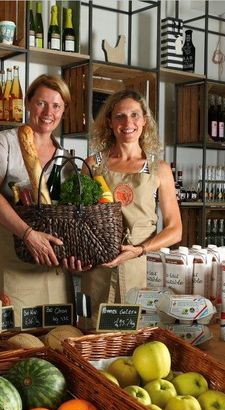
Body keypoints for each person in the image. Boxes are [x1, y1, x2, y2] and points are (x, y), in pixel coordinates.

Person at [0, 74, 85, 314]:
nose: (49, 112)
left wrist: (75, 254)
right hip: (12, 258)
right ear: (28, 103)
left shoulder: (65, 158)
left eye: (57, 106)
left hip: (53, 266)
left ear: (64, 110)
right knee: (14, 339)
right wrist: (27, 234)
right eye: (41, 103)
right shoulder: (5, 142)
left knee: (56, 337)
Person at [79, 89, 182, 326]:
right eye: (120, 116)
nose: (128, 123)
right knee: (94, 335)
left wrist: (139, 249)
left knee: (137, 337)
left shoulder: (160, 169)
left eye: (135, 115)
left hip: (141, 268)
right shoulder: (93, 165)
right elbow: (79, 220)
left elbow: (175, 229)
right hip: (98, 269)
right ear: (109, 122)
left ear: (144, 121)